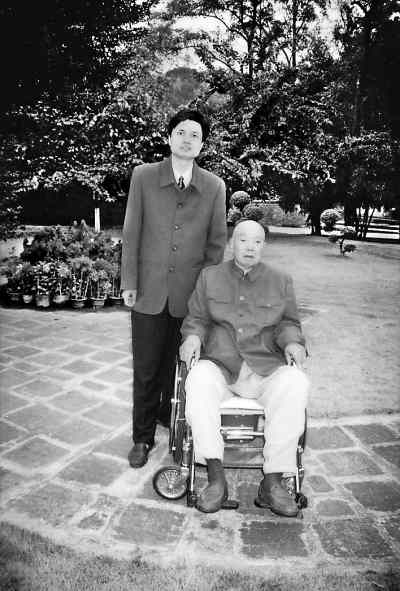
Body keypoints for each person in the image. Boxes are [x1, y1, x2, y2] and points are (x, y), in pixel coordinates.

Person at [179, 220, 309, 516]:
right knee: (197, 380)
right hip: (221, 364)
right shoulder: (210, 277)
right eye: (243, 240)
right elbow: (197, 318)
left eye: (257, 242)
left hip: (265, 366)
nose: (250, 247)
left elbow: (289, 322)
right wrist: (192, 338)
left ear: (264, 246)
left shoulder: (280, 280)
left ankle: (272, 483)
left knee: (296, 383)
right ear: (231, 243)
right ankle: (216, 479)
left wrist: (293, 343)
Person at [121, 108, 227, 469]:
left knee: (179, 368)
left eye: (195, 135)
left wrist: (206, 297)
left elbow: (216, 247)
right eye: (181, 132)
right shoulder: (143, 176)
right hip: (148, 292)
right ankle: (142, 437)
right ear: (168, 138)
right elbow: (131, 232)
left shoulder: (214, 187)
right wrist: (129, 282)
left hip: (190, 296)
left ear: (202, 144)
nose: (187, 139)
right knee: (146, 367)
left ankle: (173, 422)